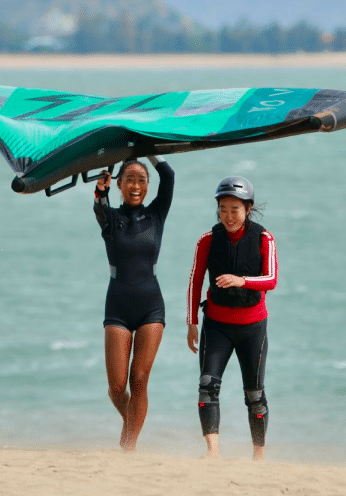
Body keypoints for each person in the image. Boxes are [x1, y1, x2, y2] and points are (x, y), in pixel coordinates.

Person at [186, 176, 278, 460]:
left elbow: (271, 279)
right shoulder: (208, 240)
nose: (228, 215)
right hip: (217, 326)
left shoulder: (264, 239)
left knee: (254, 395)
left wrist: (242, 280)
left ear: (248, 208)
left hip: (253, 328)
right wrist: (192, 322)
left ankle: (258, 455)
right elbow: (195, 280)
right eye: (223, 208)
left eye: (234, 209)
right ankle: (212, 452)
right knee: (207, 386)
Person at [94, 155, 174, 452]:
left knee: (139, 378)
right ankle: (131, 425)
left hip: (151, 305)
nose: (136, 185)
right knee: (117, 388)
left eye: (141, 179)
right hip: (117, 306)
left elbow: (169, 176)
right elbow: (99, 205)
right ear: (119, 184)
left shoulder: (156, 215)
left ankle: (129, 445)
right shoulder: (111, 219)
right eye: (130, 179)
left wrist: (148, 147)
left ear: (148, 186)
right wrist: (100, 191)